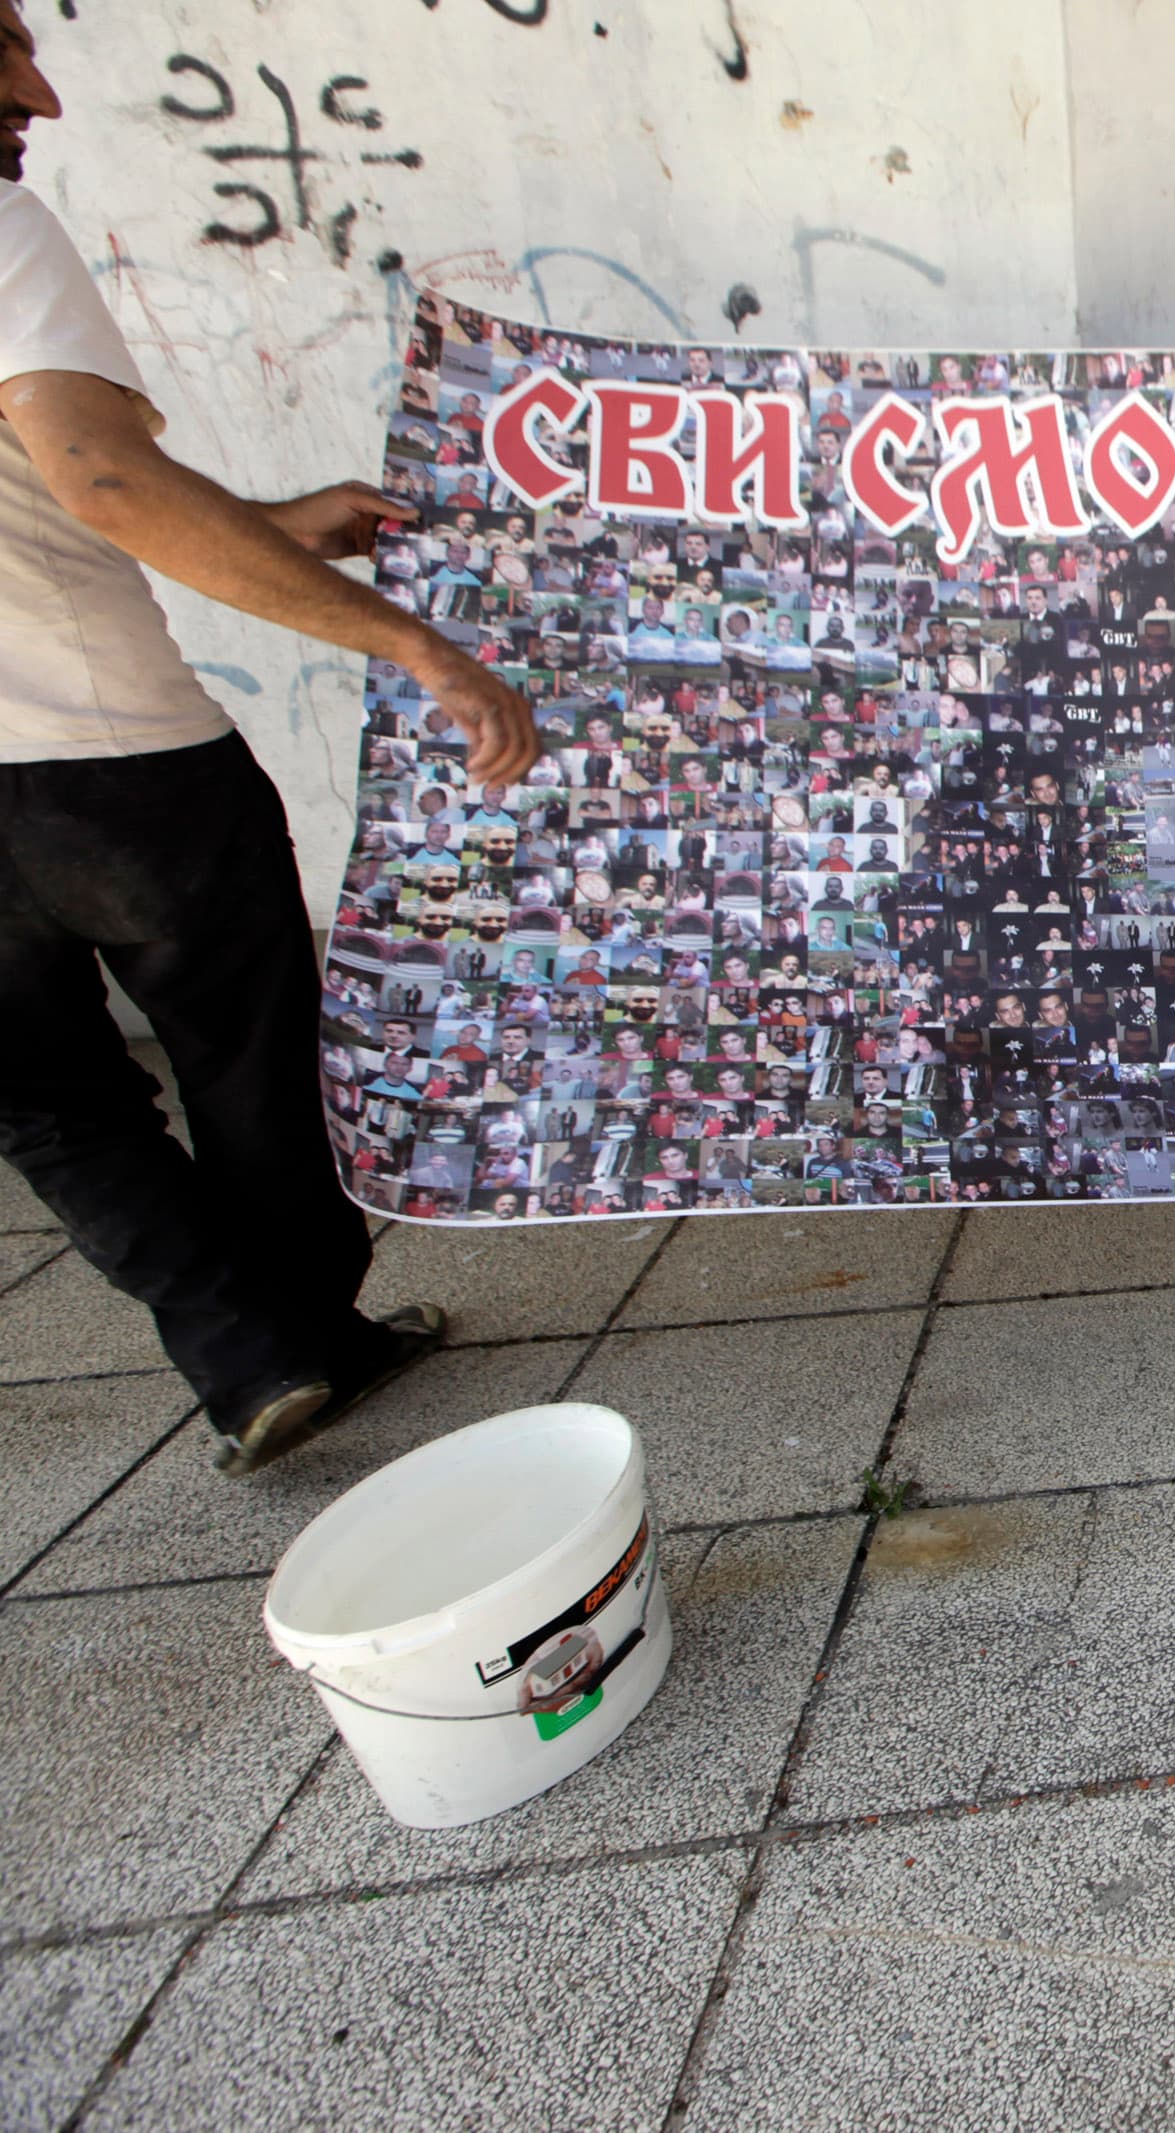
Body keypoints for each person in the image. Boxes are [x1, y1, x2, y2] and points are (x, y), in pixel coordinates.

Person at [0, 2, 533, 1471]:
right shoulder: (4, 232)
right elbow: (101, 482)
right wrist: (412, 641)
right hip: (109, 764)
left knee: (49, 1105)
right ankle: (302, 1329)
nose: (38, 90)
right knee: (253, 1056)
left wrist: (270, 525)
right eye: (4, 45)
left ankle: (250, 1357)